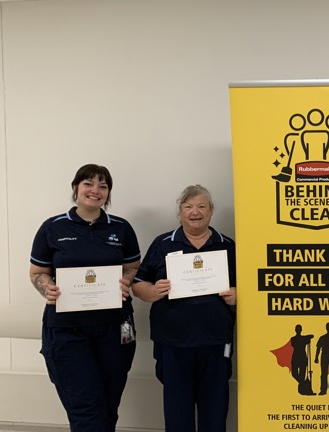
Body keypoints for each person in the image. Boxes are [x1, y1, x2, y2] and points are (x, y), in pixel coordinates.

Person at [29, 163, 141, 432]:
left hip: (114, 329)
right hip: (68, 331)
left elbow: (132, 266)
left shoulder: (121, 228)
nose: (96, 190)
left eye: (103, 186)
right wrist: (47, 288)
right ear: (76, 188)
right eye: (89, 183)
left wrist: (126, 280)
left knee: (108, 403)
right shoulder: (52, 228)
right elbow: (37, 272)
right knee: (86, 409)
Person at [132, 185, 236, 432]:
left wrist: (237, 295)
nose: (195, 212)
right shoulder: (163, 243)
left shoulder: (228, 245)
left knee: (215, 410)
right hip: (173, 342)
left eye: (201, 206)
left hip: (215, 340)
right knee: (178, 412)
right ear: (180, 212)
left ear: (211, 211)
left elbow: (250, 286)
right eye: (188, 207)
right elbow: (138, 283)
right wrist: (152, 291)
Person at [291, 324, 315, 395]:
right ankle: (303, 385)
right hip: (299, 358)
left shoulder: (298, 339)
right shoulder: (294, 339)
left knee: (301, 375)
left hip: (299, 358)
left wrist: (306, 338)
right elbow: (310, 337)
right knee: (295, 374)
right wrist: (306, 338)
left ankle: (303, 389)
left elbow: (312, 336)